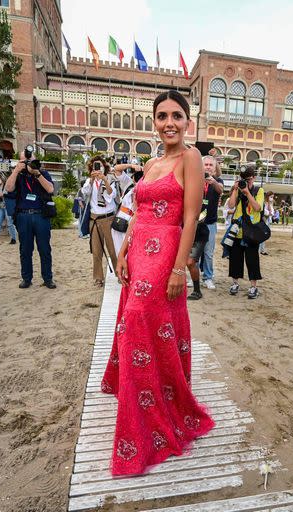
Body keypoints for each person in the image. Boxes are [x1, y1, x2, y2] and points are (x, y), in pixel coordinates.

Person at [101, 90, 214, 476]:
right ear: (154, 121)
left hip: (166, 251)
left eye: (177, 116)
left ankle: (153, 408)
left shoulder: (191, 158)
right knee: (139, 323)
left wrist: (179, 268)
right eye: (162, 116)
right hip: (138, 250)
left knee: (139, 321)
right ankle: (141, 396)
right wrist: (122, 250)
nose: (169, 122)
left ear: (187, 122)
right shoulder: (150, 163)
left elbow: (191, 217)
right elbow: (138, 211)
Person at [4, 156, 56, 289]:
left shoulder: (42, 174)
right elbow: (9, 189)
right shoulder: (19, 176)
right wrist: (16, 171)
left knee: (44, 249)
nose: (30, 164)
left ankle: (48, 278)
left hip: (41, 216)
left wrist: (37, 174)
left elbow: (50, 189)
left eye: (33, 161)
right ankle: (26, 278)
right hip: (23, 215)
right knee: (25, 250)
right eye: (26, 161)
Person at [79, 157, 119, 287]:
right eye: (96, 166)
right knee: (96, 251)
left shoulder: (111, 179)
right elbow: (85, 193)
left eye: (100, 166)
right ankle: (98, 278)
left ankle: (119, 274)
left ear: (104, 167)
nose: (98, 168)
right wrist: (91, 180)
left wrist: (104, 180)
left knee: (113, 250)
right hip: (94, 220)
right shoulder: (88, 181)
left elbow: (111, 195)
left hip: (109, 219)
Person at [226, 168, 265, 299]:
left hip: (252, 231)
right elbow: (231, 206)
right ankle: (235, 283)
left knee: (252, 259)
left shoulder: (259, 190)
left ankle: (253, 286)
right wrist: (235, 190)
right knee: (235, 258)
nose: (246, 182)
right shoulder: (237, 190)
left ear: (253, 178)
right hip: (237, 230)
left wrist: (248, 193)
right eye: (244, 180)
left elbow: (258, 208)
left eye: (248, 180)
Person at [199, 155, 224, 288]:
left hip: (210, 223)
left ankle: (208, 277)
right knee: (194, 252)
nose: (208, 167)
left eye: (210, 165)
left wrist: (212, 182)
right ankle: (194, 276)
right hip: (196, 223)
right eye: (206, 164)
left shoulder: (218, 180)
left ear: (214, 168)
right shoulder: (196, 179)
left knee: (208, 253)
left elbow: (220, 190)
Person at [110, 166, 142, 256]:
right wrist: (131, 165)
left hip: (134, 224)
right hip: (119, 222)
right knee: (118, 252)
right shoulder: (128, 184)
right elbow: (117, 169)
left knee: (130, 253)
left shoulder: (147, 190)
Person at [259, 191, 275, 255]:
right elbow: (265, 212)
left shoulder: (270, 204)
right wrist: (269, 212)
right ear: (267, 196)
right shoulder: (263, 203)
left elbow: (271, 212)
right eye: (271, 197)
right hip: (263, 220)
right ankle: (260, 249)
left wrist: (270, 212)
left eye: (272, 197)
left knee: (265, 235)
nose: (272, 198)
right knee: (261, 235)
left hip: (268, 221)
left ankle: (262, 249)